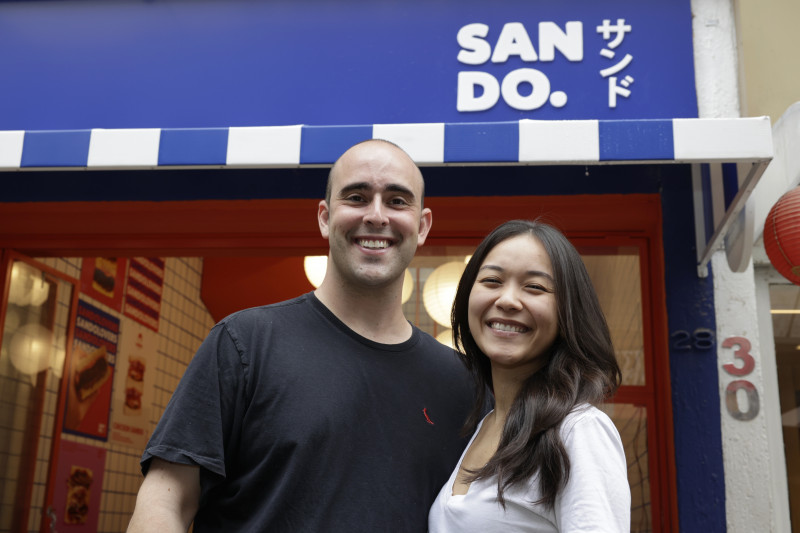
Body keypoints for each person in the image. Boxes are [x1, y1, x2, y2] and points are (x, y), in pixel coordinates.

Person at [127, 139, 475, 532]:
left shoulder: (461, 382)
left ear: (423, 225)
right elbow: (166, 503)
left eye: (397, 201)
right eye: (357, 197)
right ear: (325, 218)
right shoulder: (246, 343)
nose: (377, 215)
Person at [428, 220, 631, 532]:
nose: (507, 300)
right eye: (492, 281)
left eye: (535, 287)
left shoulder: (578, 430)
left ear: (567, 313)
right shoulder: (484, 425)